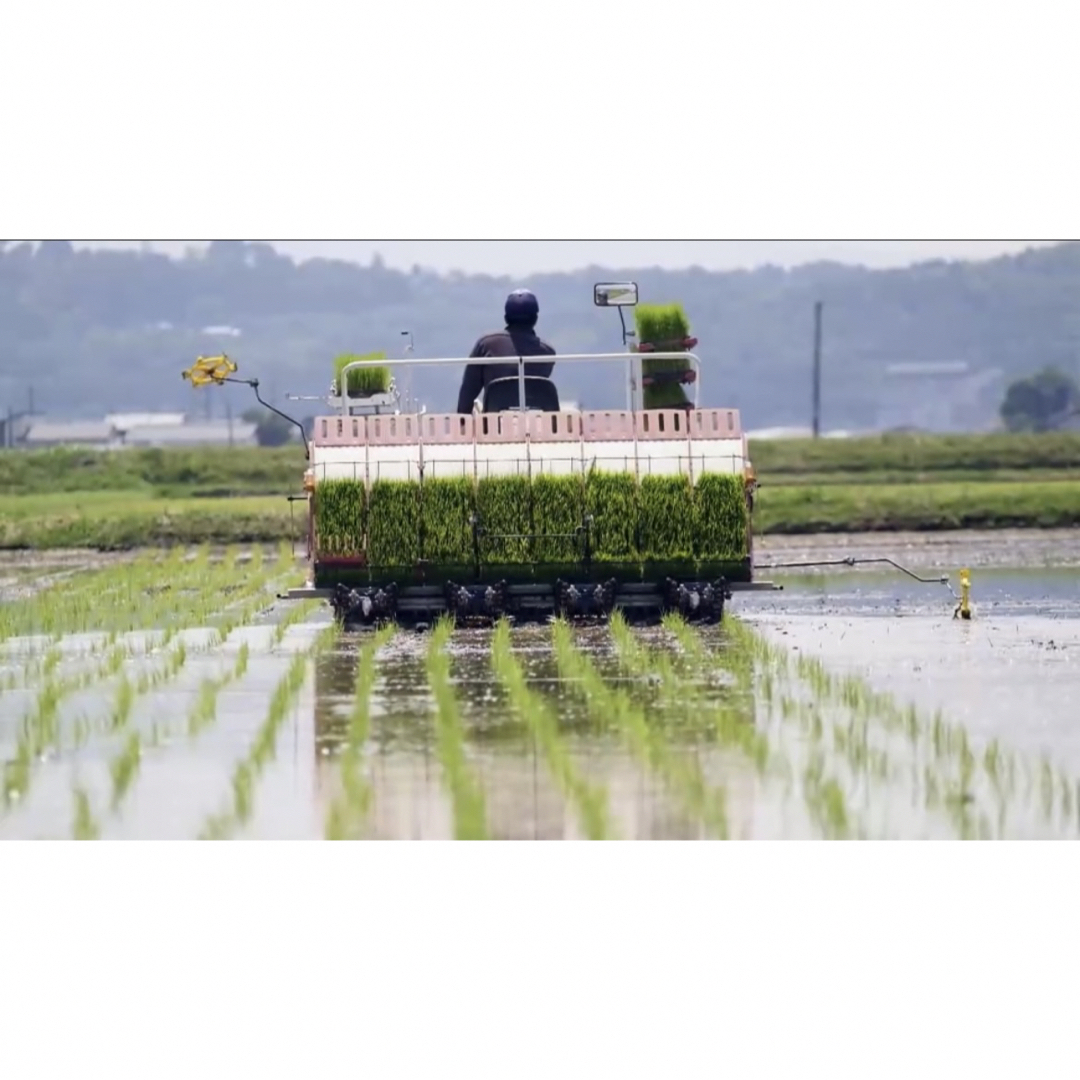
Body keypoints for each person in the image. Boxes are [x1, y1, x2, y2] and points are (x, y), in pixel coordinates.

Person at [455, 288, 556, 414]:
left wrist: (462, 422)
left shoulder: (486, 344)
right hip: (534, 427)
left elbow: (468, 391)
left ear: (506, 317)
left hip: (492, 427)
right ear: (535, 319)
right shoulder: (547, 352)